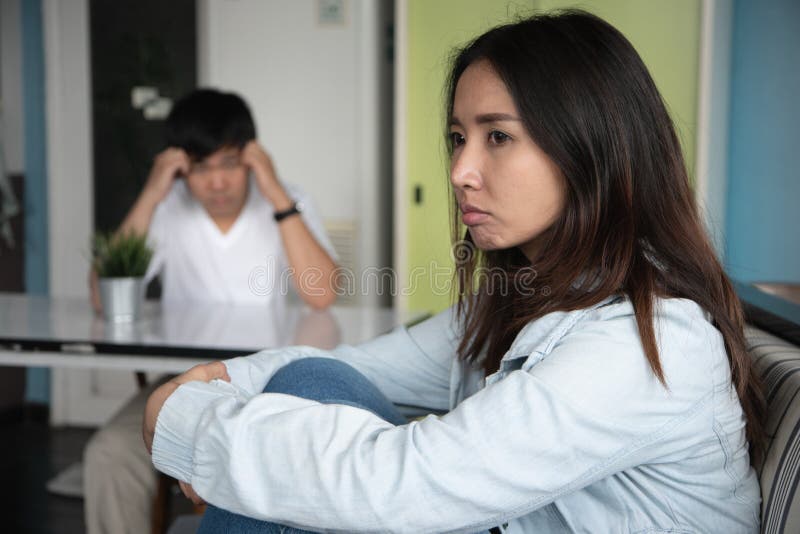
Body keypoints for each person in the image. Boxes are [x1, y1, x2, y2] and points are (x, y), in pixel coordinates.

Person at [144, 11, 764, 533]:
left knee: (293, 444)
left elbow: (408, 482)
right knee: (313, 378)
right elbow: (362, 367)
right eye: (458, 137)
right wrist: (219, 379)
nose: (460, 170)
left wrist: (188, 424)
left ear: (590, 147)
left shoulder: (645, 341)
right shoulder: (525, 296)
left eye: (497, 137)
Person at [84, 88, 339, 534]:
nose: (217, 183)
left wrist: (274, 187)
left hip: (266, 381)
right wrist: (152, 190)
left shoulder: (285, 199)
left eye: (230, 164)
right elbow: (105, 298)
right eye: (201, 168)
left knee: (286, 460)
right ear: (181, 169)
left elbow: (321, 295)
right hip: (179, 382)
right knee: (109, 454)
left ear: (251, 158)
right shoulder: (167, 207)